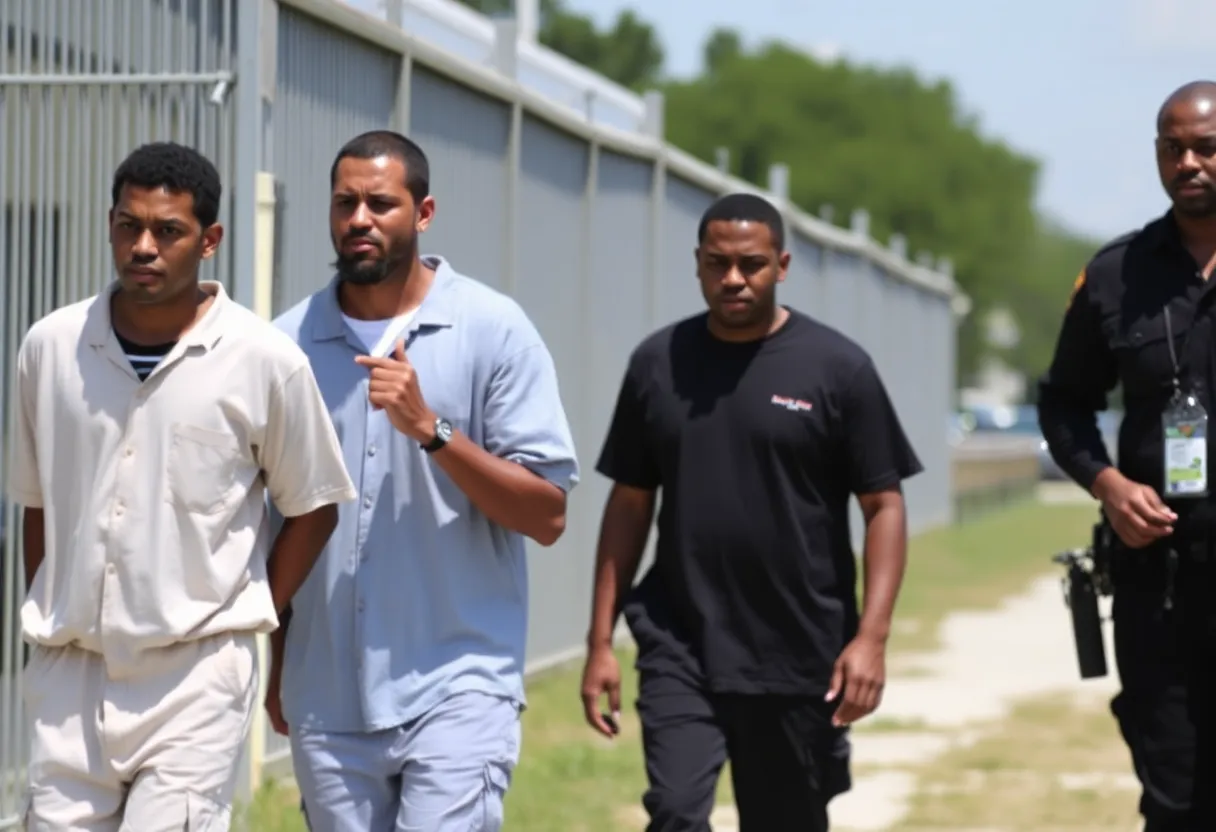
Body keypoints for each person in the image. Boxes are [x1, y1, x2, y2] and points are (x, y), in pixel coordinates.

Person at [6, 141, 357, 831]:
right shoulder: (49, 347)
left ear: (210, 240)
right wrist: (52, 612)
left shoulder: (265, 361)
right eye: (127, 225)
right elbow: (37, 501)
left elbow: (314, 508)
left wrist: (242, 610)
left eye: (167, 231)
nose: (143, 246)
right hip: (69, 672)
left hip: (194, 677)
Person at [579, 191, 923, 831]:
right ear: (699, 264)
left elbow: (884, 505)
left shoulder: (838, 369)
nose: (733, 279)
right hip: (680, 638)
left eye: (752, 264)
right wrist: (600, 641)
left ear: (782, 265)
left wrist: (870, 639)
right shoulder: (658, 364)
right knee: (677, 812)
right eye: (717, 263)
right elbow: (628, 503)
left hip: (796, 650)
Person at [269, 129, 579, 832]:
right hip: (327, 696)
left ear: (424, 212)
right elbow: (275, 522)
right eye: (345, 202)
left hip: (459, 685)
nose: (360, 219)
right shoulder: (283, 347)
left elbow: (547, 515)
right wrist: (283, 663)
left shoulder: (493, 330)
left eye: (381, 203)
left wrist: (432, 429)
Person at [1036, 80, 1216, 830]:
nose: (1189, 164)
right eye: (1172, 149)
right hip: (1160, 580)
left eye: (1206, 147)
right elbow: (1064, 401)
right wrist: (1107, 484)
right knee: (1173, 797)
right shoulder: (1117, 274)